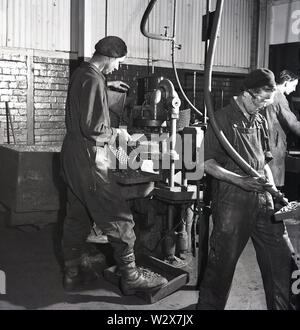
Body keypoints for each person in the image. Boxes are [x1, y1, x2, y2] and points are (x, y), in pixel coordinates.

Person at [60, 36, 167, 294]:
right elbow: (94, 128)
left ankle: (72, 272)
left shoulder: (82, 74)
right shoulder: (94, 79)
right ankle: (131, 277)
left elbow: (84, 111)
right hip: (89, 158)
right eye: (118, 62)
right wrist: (121, 135)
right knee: (119, 217)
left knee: (77, 216)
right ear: (110, 56)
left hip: (71, 156)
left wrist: (106, 88)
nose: (117, 67)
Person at [197, 68, 294, 310]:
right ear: (248, 94)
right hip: (233, 201)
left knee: (281, 259)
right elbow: (207, 163)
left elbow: (265, 160)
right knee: (222, 265)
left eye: (268, 101)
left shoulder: (260, 118)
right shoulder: (221, 120)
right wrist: (240, 181)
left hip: (263, 200)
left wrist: (272, 190)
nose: (263, 106)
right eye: (261, 100)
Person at [261, 70, 300, 189]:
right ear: (287, 82)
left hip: (267, 143)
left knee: (267, 181)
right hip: (274, 145)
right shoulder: (279, 97)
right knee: (274, 185)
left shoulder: (269, 94)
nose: (294, 89)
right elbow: (292, 123)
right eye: (294, 85)